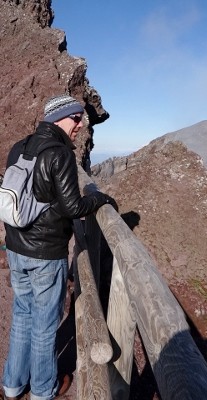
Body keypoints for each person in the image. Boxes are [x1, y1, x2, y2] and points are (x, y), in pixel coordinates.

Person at [3, 94, 113, 400]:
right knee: (45, 324)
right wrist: (101, 198)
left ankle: (12, 385)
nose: (81, 125)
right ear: (60, 118)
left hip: (15, 247)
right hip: (45, 253)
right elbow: (73, 207)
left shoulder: (20, 147)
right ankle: (42, 390)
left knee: (22, 315)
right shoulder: (59, 154)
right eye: (77, 118)